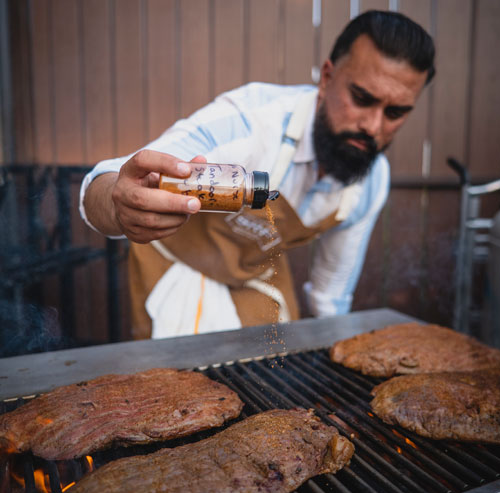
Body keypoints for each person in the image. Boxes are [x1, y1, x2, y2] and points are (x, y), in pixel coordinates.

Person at [80, 10, 435, 339]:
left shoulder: (370, 183)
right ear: (327, 78)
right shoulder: (250, 124)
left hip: (255, 278)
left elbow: (331, 294)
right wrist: (117, 204)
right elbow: (112, 179)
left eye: (396, 112)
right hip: (177, 266)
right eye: (361, 98)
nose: (373, 127)